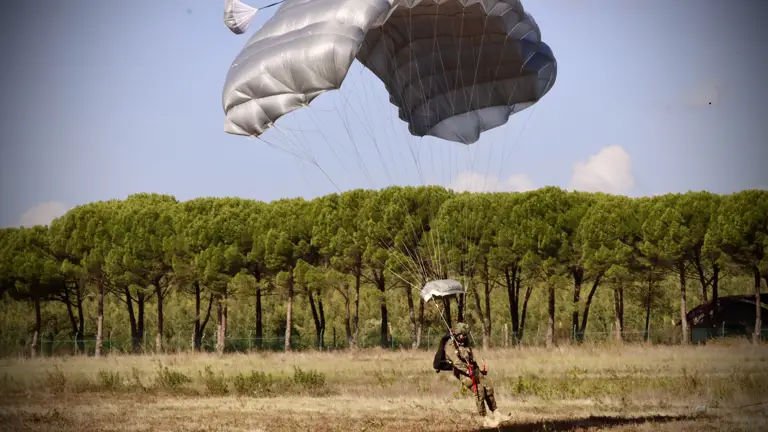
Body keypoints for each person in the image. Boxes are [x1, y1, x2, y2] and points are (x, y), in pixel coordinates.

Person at [441, 322, 499, 418]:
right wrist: (467, 371)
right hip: (462, 372)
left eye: (465, 335)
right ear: (458, 334)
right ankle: (484, 418)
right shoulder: (450, 345)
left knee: (488, 386)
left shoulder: (463, 343)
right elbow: (456, 362)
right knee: (479, 390)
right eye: (463, 335)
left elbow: (472, 357)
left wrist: (480, 368)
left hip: (473, 369)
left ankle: (496, 413)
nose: (464, 337)